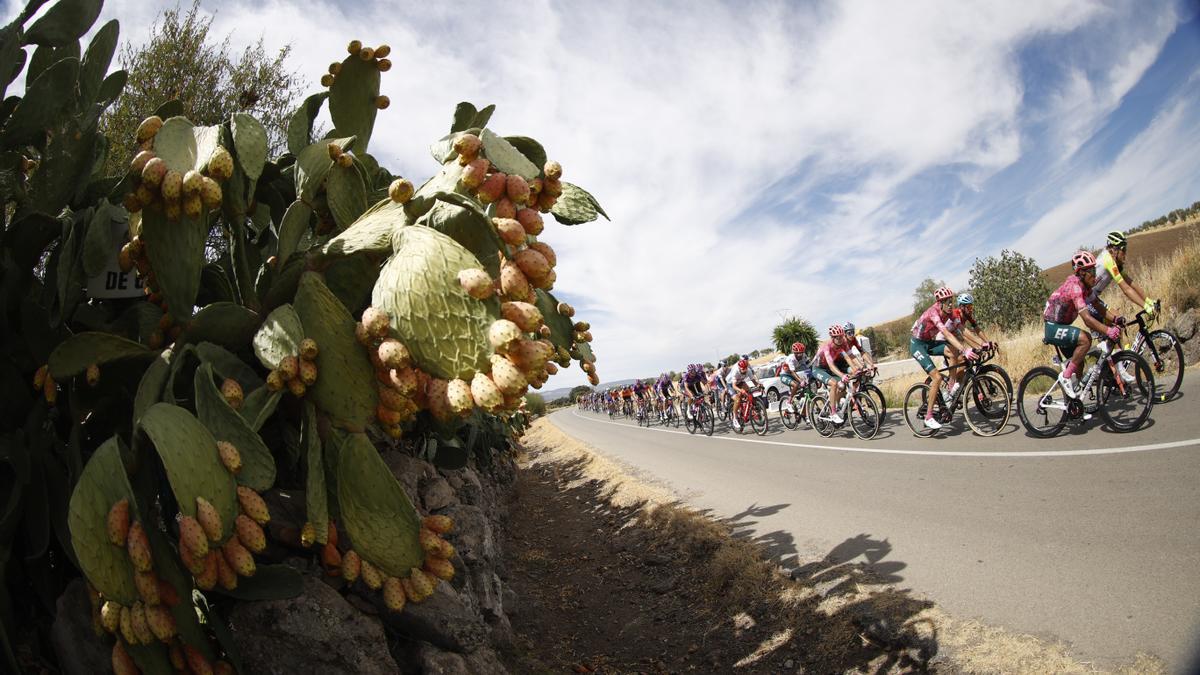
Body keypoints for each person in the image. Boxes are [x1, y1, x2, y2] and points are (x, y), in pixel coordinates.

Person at [1044, 250, 1124, 400]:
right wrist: (1108, 330)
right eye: (1091, 271)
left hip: (1062, 325)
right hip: (1052, 327)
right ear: (1081, 273)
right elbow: (1087, 319)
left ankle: (1074, 403)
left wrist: (1116, 320)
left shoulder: (1086, 286)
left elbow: (1100, 308)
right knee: (1085, 339)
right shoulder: (1075, 287)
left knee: (1079, 363)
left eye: (1094, 269)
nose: (1095, 274)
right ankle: (1066, 377)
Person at [910, 286, 978, 430]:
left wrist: (981, 343)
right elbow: (947, 334)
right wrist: (965, 350)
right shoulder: (933, 313)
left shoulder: (950, 313)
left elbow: (963, 329)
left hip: (929, 342)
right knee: (937, 377)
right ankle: (929, 417)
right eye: (947, 302)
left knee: (952, 351)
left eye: (951, 301)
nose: (950, 305)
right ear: (940, 303)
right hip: (917, 345)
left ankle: (951, 386)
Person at [1087, 230, 1158, 320]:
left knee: (1119, 320)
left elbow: (1129, 282)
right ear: (1115, 250)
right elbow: (1126, 289)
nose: (1125, 253)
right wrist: (1146, 307)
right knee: (1115, 322)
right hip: (1086, 300)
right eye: (1123, 249)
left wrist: (1149, 301)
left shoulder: (1115, 260)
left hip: (1093, 297)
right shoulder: (1108, 260)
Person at [811, 325, 859, 424]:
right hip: (818, 369)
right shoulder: (826, 346)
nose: (841, 339)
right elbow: (832, 366)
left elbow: (848, 357)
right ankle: (833, 413)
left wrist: (856, 370)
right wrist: (842, 375)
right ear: (832, 338)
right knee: (834, 383)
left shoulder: (843, 343)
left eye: (842, 336)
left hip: (828, 368)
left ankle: (833, 403)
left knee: (842, 385)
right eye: (838, 337)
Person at [727, 358, 760, 428]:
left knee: (750, 391)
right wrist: (741, 390)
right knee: (737, 399)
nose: (744, 371)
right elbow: (734, 386)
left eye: (745, 369)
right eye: (742, 370)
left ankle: (748, 408)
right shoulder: (735, 371)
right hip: (731, 384)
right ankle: (735, 418)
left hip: (740, 382)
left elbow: (753, 381)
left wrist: (758, 385)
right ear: (739, 368)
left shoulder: (748, 370)